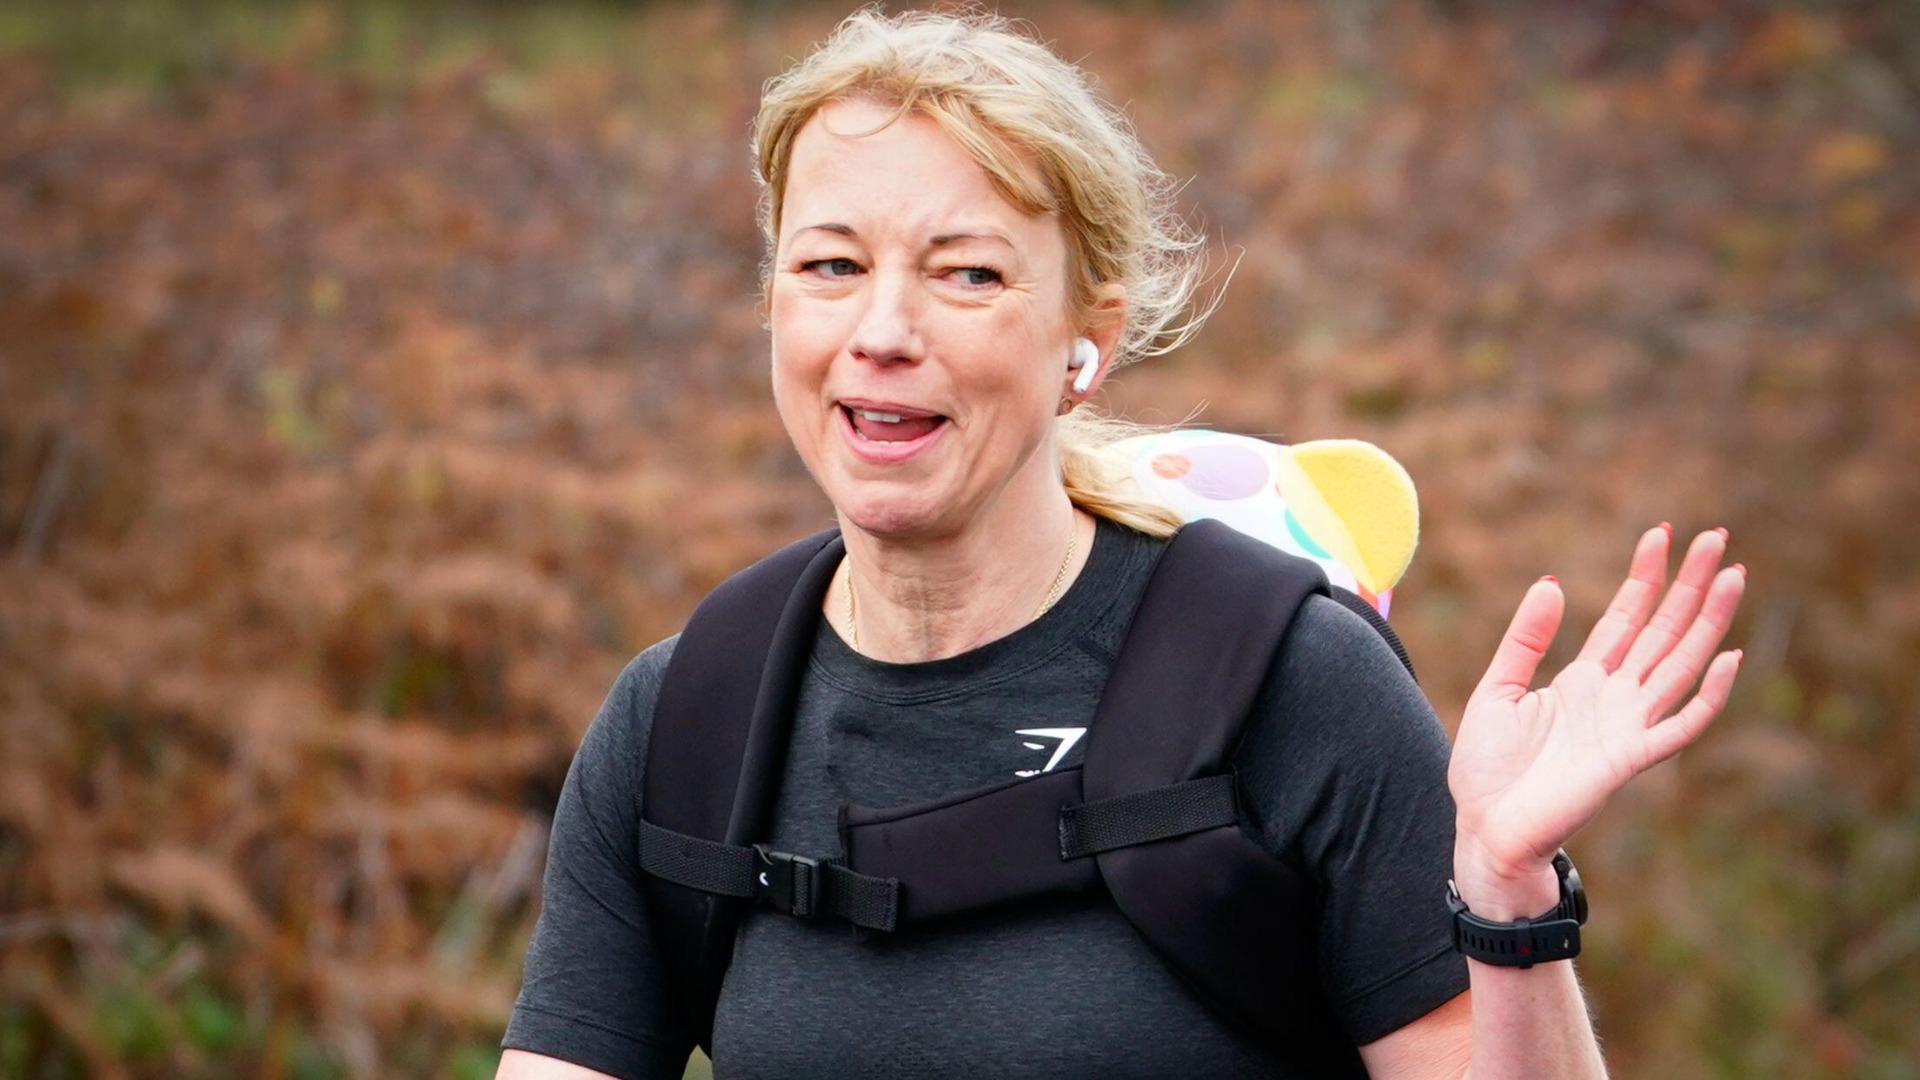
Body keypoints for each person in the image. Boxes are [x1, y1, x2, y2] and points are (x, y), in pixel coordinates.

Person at [495, 10, 1746, 1079]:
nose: (881, 329)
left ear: (1083, 341)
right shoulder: (686, 720)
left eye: (969, 275)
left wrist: (1509, 890)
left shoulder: (1292, 685)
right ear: (774, 309)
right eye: (831, 265)